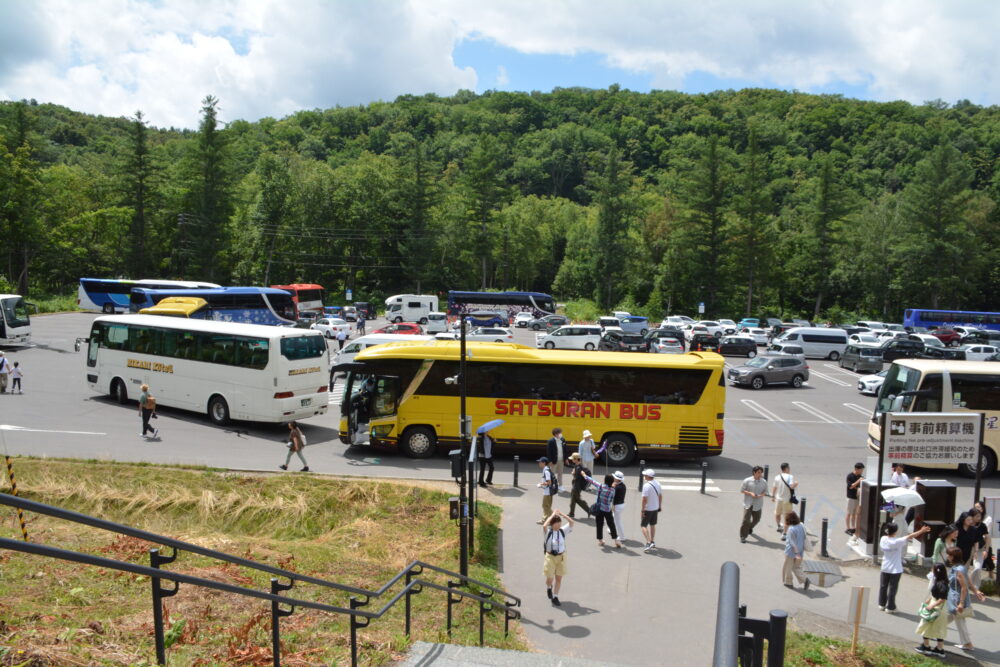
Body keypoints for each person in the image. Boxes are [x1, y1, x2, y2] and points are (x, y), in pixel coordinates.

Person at [878, 521, 930, 613]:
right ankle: (890, 607)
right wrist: (922, 531)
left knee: (883, 586)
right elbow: (911, 536)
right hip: (895, 569)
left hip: (885, 567)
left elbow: (908, 536)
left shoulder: (883, 539)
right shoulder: (898, 541)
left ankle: (881, 604)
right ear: (895, 531)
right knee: (892, 589)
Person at [946, 544, 986, 652]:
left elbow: (964, 587)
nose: (947, 556)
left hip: (956, 599)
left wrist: (961, 603)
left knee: (959, 622)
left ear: (953, 557)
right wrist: (976, 591)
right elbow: (968, 581)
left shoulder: (958, 570)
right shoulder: (961, 567)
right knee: (946, 617)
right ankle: (935, 631)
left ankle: (968, 643)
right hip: (954, 599)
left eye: (949, 555)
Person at [542, 509, 575, 607]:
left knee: (559, 579)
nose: (559, 525)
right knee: (550, 578)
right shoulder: (548, 532)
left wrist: (562, 514)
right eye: (556, 523)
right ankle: (549, 587)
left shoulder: (562, 531)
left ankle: (555, 596)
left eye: (559, 522)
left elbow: (572, 522)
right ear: (552, 524)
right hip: (550, 557)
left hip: (561, 557)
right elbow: (544, 525)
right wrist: (552, 515)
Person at [915, 563, 949, 657]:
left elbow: (942, 598)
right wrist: (930, 599)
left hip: (936, 608)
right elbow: (937, 595)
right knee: (938, 629)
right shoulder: (941, 582)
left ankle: (926, 647)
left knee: (925, 626)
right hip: (939, 608)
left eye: (932, 569)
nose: (931, 571)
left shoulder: (941, 583)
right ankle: (939, 649)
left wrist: (932, 605)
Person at [583, 472, 621, 548]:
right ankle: (616, 540)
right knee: (611, 525)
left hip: (599, 509)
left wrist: (584, 475)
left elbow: (592, 481)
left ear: (604, 480)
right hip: (607, 509)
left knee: (599, 525)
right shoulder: (613, 490)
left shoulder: (600, 486)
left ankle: (600, 540)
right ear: (612, 482)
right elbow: (611, 499)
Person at [740, 466, 768, 543]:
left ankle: (750, 527)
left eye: (761, 472)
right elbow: (742, 490)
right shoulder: (747, 480)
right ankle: (743, 536)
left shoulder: (764, 482)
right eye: (758, 472)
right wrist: (750, 493)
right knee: (746, 520)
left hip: (758, 504)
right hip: (748, 503)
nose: (760, 474)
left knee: (757, 519)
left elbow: (765, 492)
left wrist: (761, 495)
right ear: (754, 472)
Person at [782, 511, 808, 589]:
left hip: (791, 552)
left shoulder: (791, 529)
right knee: (796, 567)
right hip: (800, 551)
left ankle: (788, 582)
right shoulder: (801, 526)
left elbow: (792, 543)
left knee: (787, 567)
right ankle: (805, 579)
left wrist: (796, 553)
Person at [770, 462, 798, 537]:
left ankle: (779, 525)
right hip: (787, 500)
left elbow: (774, 487)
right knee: (787, 517)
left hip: (778, 499)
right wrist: (796, 483)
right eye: (789, 468)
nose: (789, 469)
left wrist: (772, 496)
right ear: (786, 469)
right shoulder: (790, 476)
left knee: (777, 513)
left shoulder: (777, 477)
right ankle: (784, 534)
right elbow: (792, 486)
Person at [640, 468, 662, 552]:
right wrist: (659, 506)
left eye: (645, 475)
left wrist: (642, 510)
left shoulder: (646, 486)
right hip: (655, 508)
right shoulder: (657, 483)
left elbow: (644, 499)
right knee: (652, 524)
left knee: (643, 525)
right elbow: (660, 495)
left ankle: (648, 542)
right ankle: (652, 541)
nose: (644, 476)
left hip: (648, 509)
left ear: (648, 476)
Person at [974, 500, 995, 581]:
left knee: (988, 559)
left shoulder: (988, 518)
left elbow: (987, 533)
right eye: (975, 507)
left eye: (978, 507)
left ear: (983, 508)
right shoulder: (973, 516)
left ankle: (992, 577)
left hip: (985, 542)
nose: (977, 509)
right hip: (975, 542)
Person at [566, 453, 591, 519]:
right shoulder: (578, 466)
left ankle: (589, 510)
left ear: (576, 459)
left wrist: (573, 473)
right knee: (573, 500)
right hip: (577, 486)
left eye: (573, 459)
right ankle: (571, 513)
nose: (572, 460)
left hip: (576, 486)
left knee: (576, 500)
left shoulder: (578, 467)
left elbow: (576, 477)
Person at [845, 462, 865, 536]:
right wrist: (859, 481)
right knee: (849, 513)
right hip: (851, 497)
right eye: (861, 470)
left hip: (857, 497)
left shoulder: (860, 476)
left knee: (854, 514)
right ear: (856, 469)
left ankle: (853, 527)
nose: (862, 471)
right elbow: (850, 486)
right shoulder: (850, 476)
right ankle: (848, 528)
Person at [537, 457, 556, 524]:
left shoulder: (546, 471)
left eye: (540, 462)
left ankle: (555, 519)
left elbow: (549, 482)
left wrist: (541, 484)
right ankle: (544, 520)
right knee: (547, 507)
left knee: (545, 506)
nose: (539, 463)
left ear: (544, 463)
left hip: (547, 492)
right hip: (549, 491)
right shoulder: (547, 469)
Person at [611, 470, 627, 541]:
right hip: (621, 504)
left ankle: (622, 537)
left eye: (614, 477)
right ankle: (610, 529)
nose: (613, 478)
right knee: (613, 517)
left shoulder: (617, 487)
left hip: (617, 505)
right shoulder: (622, 485)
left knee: (618, 522)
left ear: (617, 479)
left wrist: (613, 506)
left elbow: (613, 497)